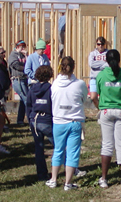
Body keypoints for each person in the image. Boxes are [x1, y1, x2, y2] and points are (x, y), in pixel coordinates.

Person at [96, 49, 121, 188]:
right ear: (120, 60)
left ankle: (104, 179)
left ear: (106, 60)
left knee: (107, 145)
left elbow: (98, 93)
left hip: (106, 111)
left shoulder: (101, 75)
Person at [46, 56, 88, 191]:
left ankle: (53, 179)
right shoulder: (80, 83)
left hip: (58, 121)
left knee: (58, 150)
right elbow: (84, 98)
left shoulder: (54, 84)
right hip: (75, 121)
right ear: (73, 67)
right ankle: (68, 183)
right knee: (72, 152)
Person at [26, 65, 54, 181]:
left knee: (39, 149)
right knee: (58, 146)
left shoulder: (32, 89)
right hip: (47, 120)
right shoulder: (51, 89)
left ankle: (41, 174)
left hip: (35, 120)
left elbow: (28, 105)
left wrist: (29, 120)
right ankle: (69, 169)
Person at [8, 40, 29, 126]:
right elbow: (15, 65)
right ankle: (30, 119)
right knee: (26, 99)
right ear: (17, 47)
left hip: (24, 79)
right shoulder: (13, 54)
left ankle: (20, 120)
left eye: (24, 46)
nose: (23, 48)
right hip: (17, 79)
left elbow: (29, 64)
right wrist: (25, 68)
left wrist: (27, 56)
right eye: (21, 46)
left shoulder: (23, 56)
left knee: (23, 100)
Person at [88, 37, 109, 109]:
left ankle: (104, 111)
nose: (100, 46)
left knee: (105, 97)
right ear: (96, 44)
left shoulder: (108, 53)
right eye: (98, 44)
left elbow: (108, 65)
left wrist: (97, 65)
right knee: (93, 97)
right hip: (94, 78)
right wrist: (103, 63)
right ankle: (100, 109)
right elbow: (91, 64)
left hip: (105, 78)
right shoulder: (92, 54)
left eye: (102, 44)